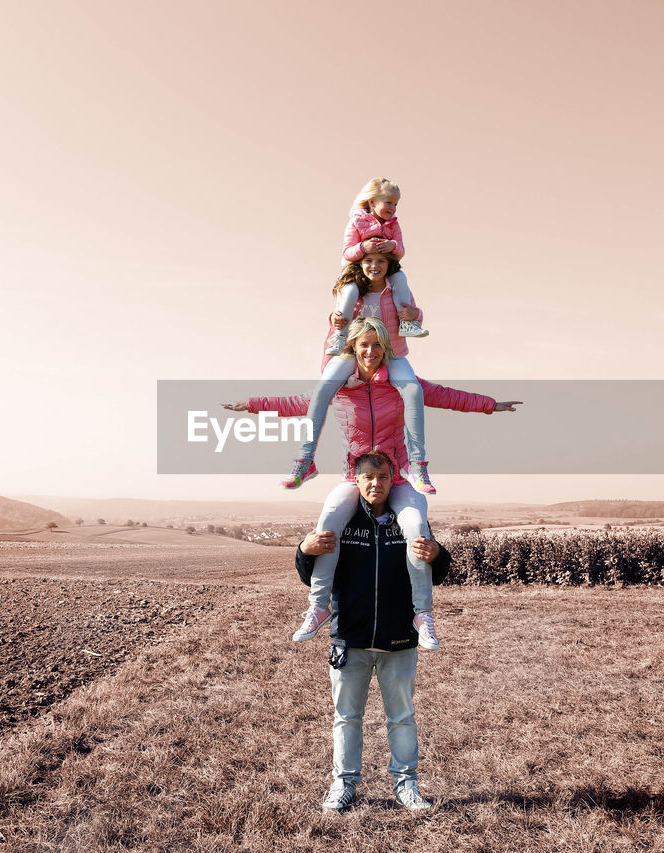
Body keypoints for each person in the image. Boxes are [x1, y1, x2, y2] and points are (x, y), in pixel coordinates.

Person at [223, 316, 522, 651]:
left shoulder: (401, 384)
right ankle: (319, 607)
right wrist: (251, 405)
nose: (370, 351)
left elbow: (447, 396)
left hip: (397, 474)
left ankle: (422, 614)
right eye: (363, 345)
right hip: (356, 476)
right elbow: (294, 403)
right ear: (352, 347)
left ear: (386, 347)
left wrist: (490, 406)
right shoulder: (338, 388)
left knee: (416, 527)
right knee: (327, 523)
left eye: (377, 344)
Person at [295, 450, 449, 812]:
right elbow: (310, 574)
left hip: (399, 640)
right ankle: (343, 784)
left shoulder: (408, 520)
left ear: (392, 479)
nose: (375, 484)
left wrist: (437, 554)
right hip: (350, 637)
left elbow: (436, 574)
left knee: (402, 717)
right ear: (357, 480)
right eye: (368, 477)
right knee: (347, 717)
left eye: (382, 477)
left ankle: (406, 785)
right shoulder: (344, 523)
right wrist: (304, 549)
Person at [290, 251, 434, 494]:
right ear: (360, 263)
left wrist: (416, 315)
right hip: (353, 353)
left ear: (389, 265)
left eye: (380, 261)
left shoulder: (396, 288)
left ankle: (417, 465)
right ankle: (305, 460)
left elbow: (413, 313)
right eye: (368, 261)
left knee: (413, 391)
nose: (374, 266)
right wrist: (334, 320)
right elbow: (337, 318)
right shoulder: (352, 290)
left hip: (391, 353)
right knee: (323, 388)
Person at [327, 177, 427, 357]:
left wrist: (393, 246)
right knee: (350, 291)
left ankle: (407, 323)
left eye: (396, 204)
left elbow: (401, 250)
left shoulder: (393, 224)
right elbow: (347, 252)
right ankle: (340, 335)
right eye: (388, 202)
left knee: (400, 279)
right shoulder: (356, 222)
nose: (393, 208)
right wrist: (363, 248)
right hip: (357, 271)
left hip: (385, 269)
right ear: (372, 202)